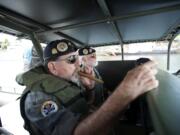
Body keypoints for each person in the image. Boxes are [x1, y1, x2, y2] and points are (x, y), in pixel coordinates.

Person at [16, 39, 158, 135]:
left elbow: (85, 107)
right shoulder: (38, 97)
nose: (79, 64)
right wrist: (123, 95)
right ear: (53, 67)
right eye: (71, 60)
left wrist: (89, 89)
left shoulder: (67, 81)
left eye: (77, 59)